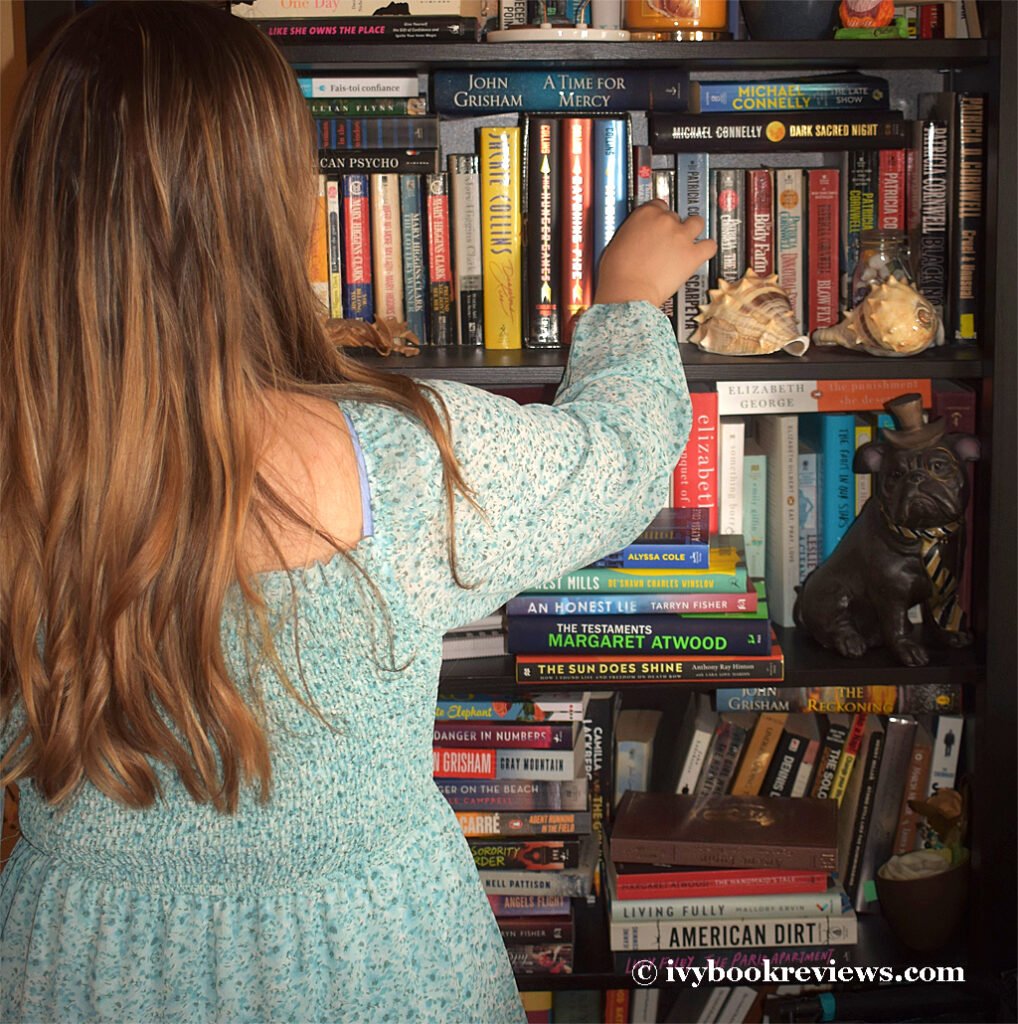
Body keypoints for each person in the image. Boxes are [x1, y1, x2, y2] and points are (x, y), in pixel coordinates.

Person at [0, 3, 716, 1022]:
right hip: (372, 959)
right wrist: (627, 306)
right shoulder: (408, 455)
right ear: (282, 207)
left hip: (73, 961)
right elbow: (621, 460)